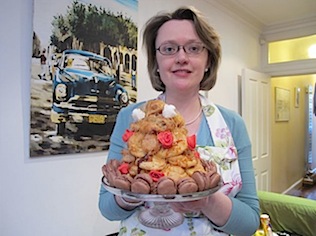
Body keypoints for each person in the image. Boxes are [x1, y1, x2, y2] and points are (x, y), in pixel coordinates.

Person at [99, 6, 260, 236]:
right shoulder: (131, 117)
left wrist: (207, 201)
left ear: (208, 61)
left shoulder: (232, 123)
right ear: (156, 62)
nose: (181, 57)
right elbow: (107, 209)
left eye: (194, 48)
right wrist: (133, 191)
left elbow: (250, 222)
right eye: (169, 49)